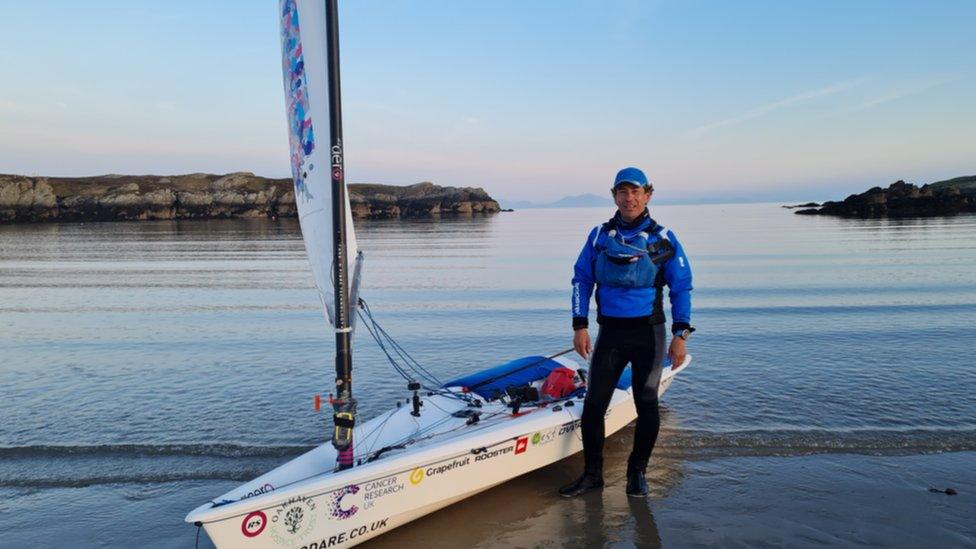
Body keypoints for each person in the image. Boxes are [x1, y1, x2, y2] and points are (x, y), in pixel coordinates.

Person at [560, 166, 694, 498]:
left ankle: (637, 473)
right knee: (593, 405)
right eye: (622, 191)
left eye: (635, 191)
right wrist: (580, 325)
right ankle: (593, 476)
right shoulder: (599, 237)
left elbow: (681, 287)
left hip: (648, 333)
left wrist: (680, 335)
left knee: (645, 402)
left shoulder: (661, 239)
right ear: (614, 196)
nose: (629, 197)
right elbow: (582, 280)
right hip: (611, 334)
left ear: (647, 194)